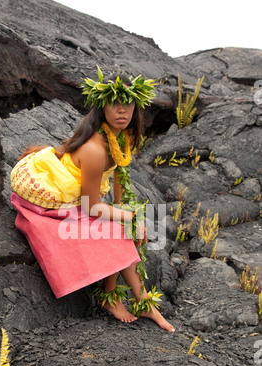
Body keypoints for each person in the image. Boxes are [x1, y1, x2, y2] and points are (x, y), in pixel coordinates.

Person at [10, 67, 175, 332]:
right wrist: (132, 218)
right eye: (114, 104)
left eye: (128, 103)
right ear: (102, 108)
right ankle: (137, 302)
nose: (122, 110)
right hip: (55, 200)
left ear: (136, 106)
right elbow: (90, 206)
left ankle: (129, 300)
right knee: (114, 225)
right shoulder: (95, 149)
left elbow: (121, 175)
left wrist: (126, 215)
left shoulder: (123, 137)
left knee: (119, 225)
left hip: (85, 199)